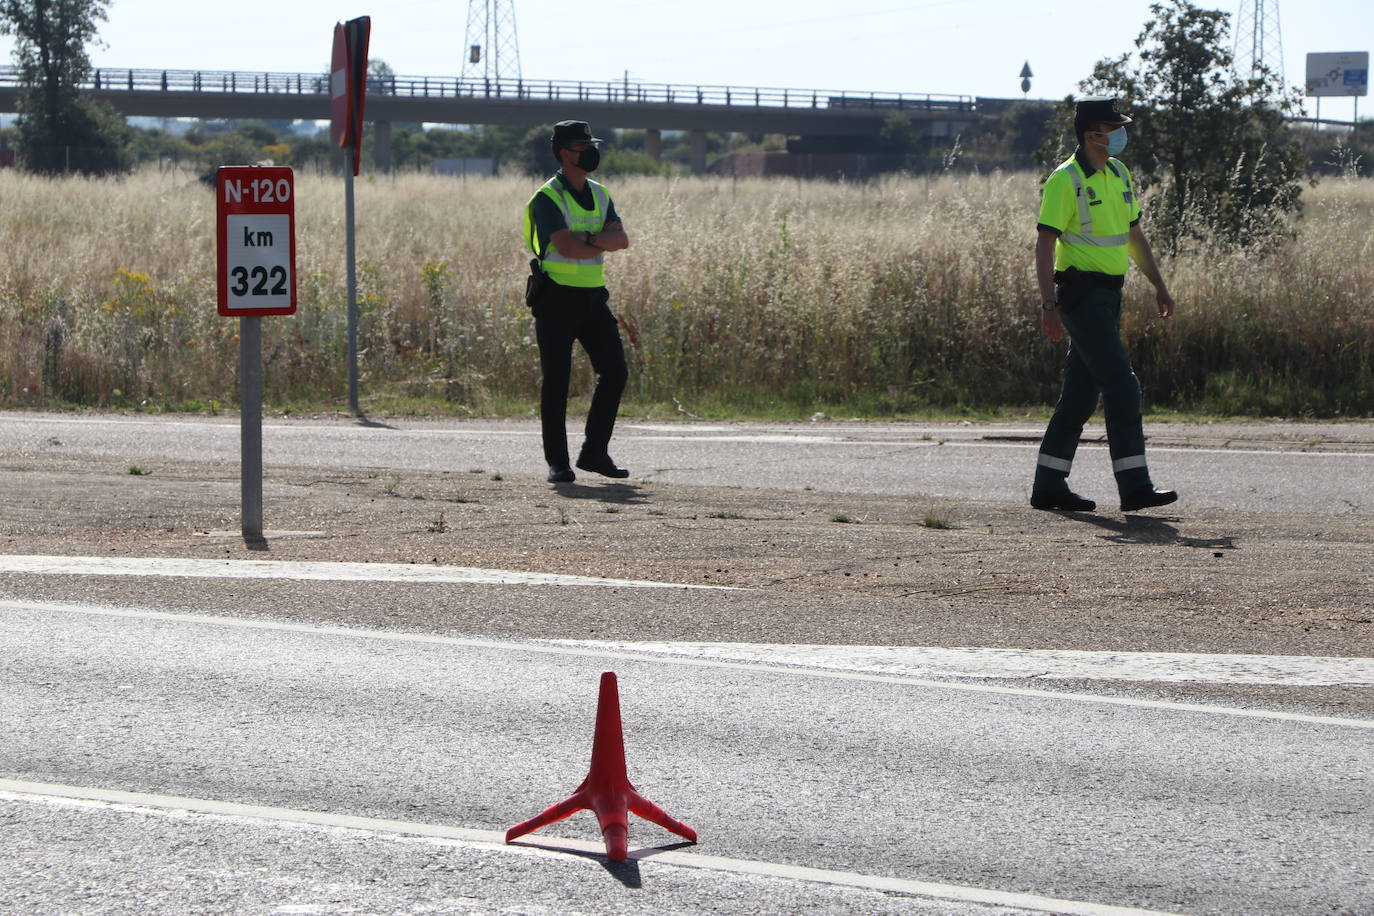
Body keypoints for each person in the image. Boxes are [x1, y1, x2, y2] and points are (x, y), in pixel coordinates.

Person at [1031, 97, 1178, 514]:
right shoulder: (1066, 179)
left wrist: (1159, 286)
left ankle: (1048, 485)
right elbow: (1044, 244)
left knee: (1079, 396)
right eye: (1112, 128)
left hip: (1111, 295)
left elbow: (1134, 236)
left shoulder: (1118, 173)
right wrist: (1048, 305)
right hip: (1081, 296)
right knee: (1123, 385)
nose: (1120, 134)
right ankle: (1135, 486)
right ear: (1090, 134)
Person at [522, 120, 631, 484]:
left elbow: (622, 240)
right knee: (557, 382)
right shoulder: (546, 198)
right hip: (555, 299)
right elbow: (565, 247)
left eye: (590, 145)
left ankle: (594, 453)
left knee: (615, 372)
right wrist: (598, 239)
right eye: (582, 146)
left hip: (593, 298)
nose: (590, 151)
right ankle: (558, 463)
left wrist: (587, 237)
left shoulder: (600, 194)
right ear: (564, 153)